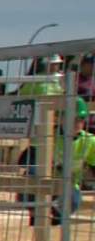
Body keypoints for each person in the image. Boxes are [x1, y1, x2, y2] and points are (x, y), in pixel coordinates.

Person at [18, 96, 94, 225]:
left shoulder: (90, 141)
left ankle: (56, 220)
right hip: (43, 181)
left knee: (72, 202)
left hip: (67, 185)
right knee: (30, 181)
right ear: (60, 119)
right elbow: (25, 160)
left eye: (80, 119)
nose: (77, 123)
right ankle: (36, 216)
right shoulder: (47, 136)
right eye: (72, 119)